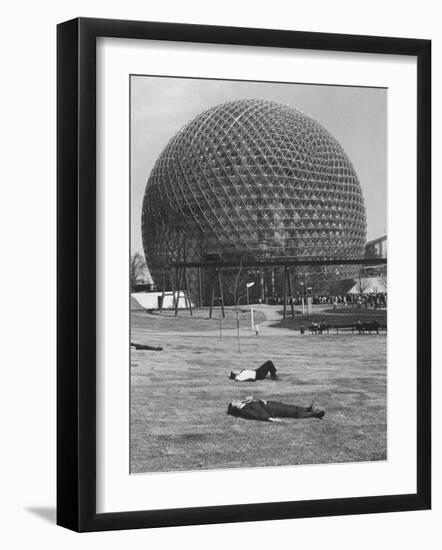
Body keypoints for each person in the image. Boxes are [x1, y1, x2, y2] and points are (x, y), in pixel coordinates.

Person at [227, 397, 325, 422]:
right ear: (235, 407)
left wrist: (251, 399)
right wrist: (271, 419)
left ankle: (308, 409)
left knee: (289, 407)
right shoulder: (245, 410)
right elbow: (257, 415)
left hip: (270, 404)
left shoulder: (244, 403)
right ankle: (314, 415)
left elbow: (254, 402)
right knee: (291, 412)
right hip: (270, 409)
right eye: (234, 402)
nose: (236, 400)